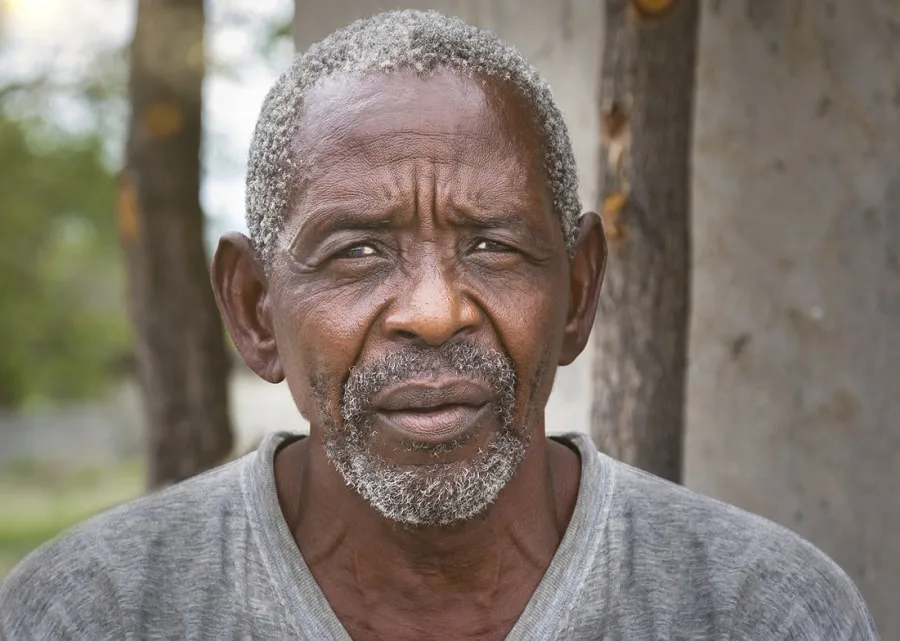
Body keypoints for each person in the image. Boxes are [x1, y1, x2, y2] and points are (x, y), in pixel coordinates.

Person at [0, 10, 879, 641]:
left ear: (577, 292)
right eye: (355, 251)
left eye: (494, 245)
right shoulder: (91, 612)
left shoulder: (763, 610)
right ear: (255, 309)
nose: (432, 311)